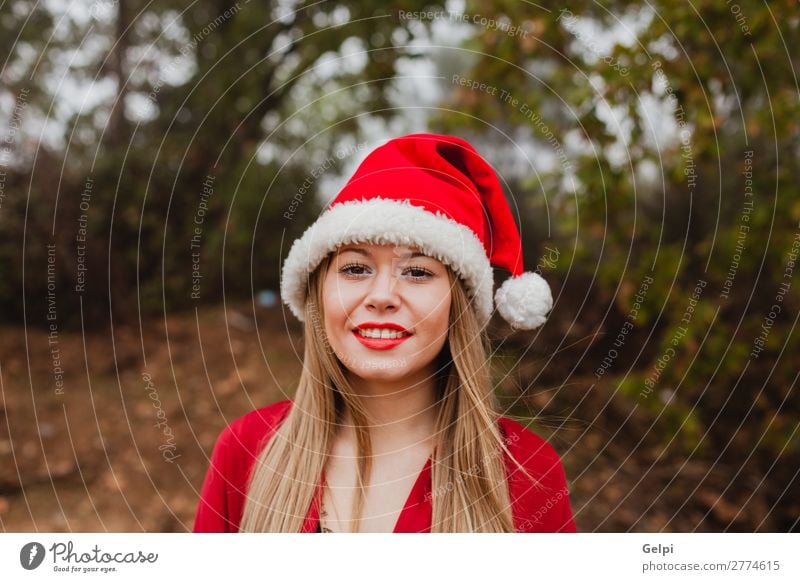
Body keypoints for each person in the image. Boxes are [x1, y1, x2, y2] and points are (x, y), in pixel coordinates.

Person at [193, 133, 576, 533]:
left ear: (456, 307)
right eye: (356, 268)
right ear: (318, 294)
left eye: (418, 272)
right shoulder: (245, 450)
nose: (381, 296)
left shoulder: (529, 473)